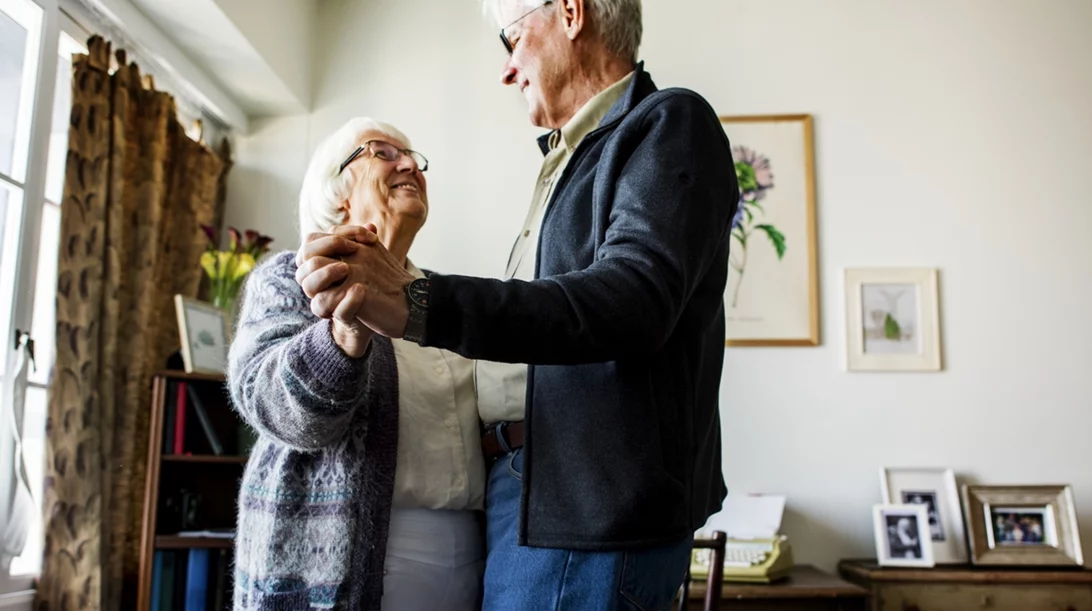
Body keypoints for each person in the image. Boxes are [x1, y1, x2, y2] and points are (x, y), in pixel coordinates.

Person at [295, 0, 738, 607]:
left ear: (571, 13)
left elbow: (633, 298)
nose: (507, 71)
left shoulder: (668, 122)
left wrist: (419, 302)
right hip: (523, 495)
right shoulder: (568, 157)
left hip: (586, 506)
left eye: (511, 41)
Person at [226, 117, 486, 611]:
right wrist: (343, 335)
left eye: (413, 157)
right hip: (336, 566)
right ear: (338, 192)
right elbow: (271, 404)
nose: (409, 165)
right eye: (383, 153)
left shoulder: (442, 298)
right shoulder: (292, 279)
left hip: (468, 561)